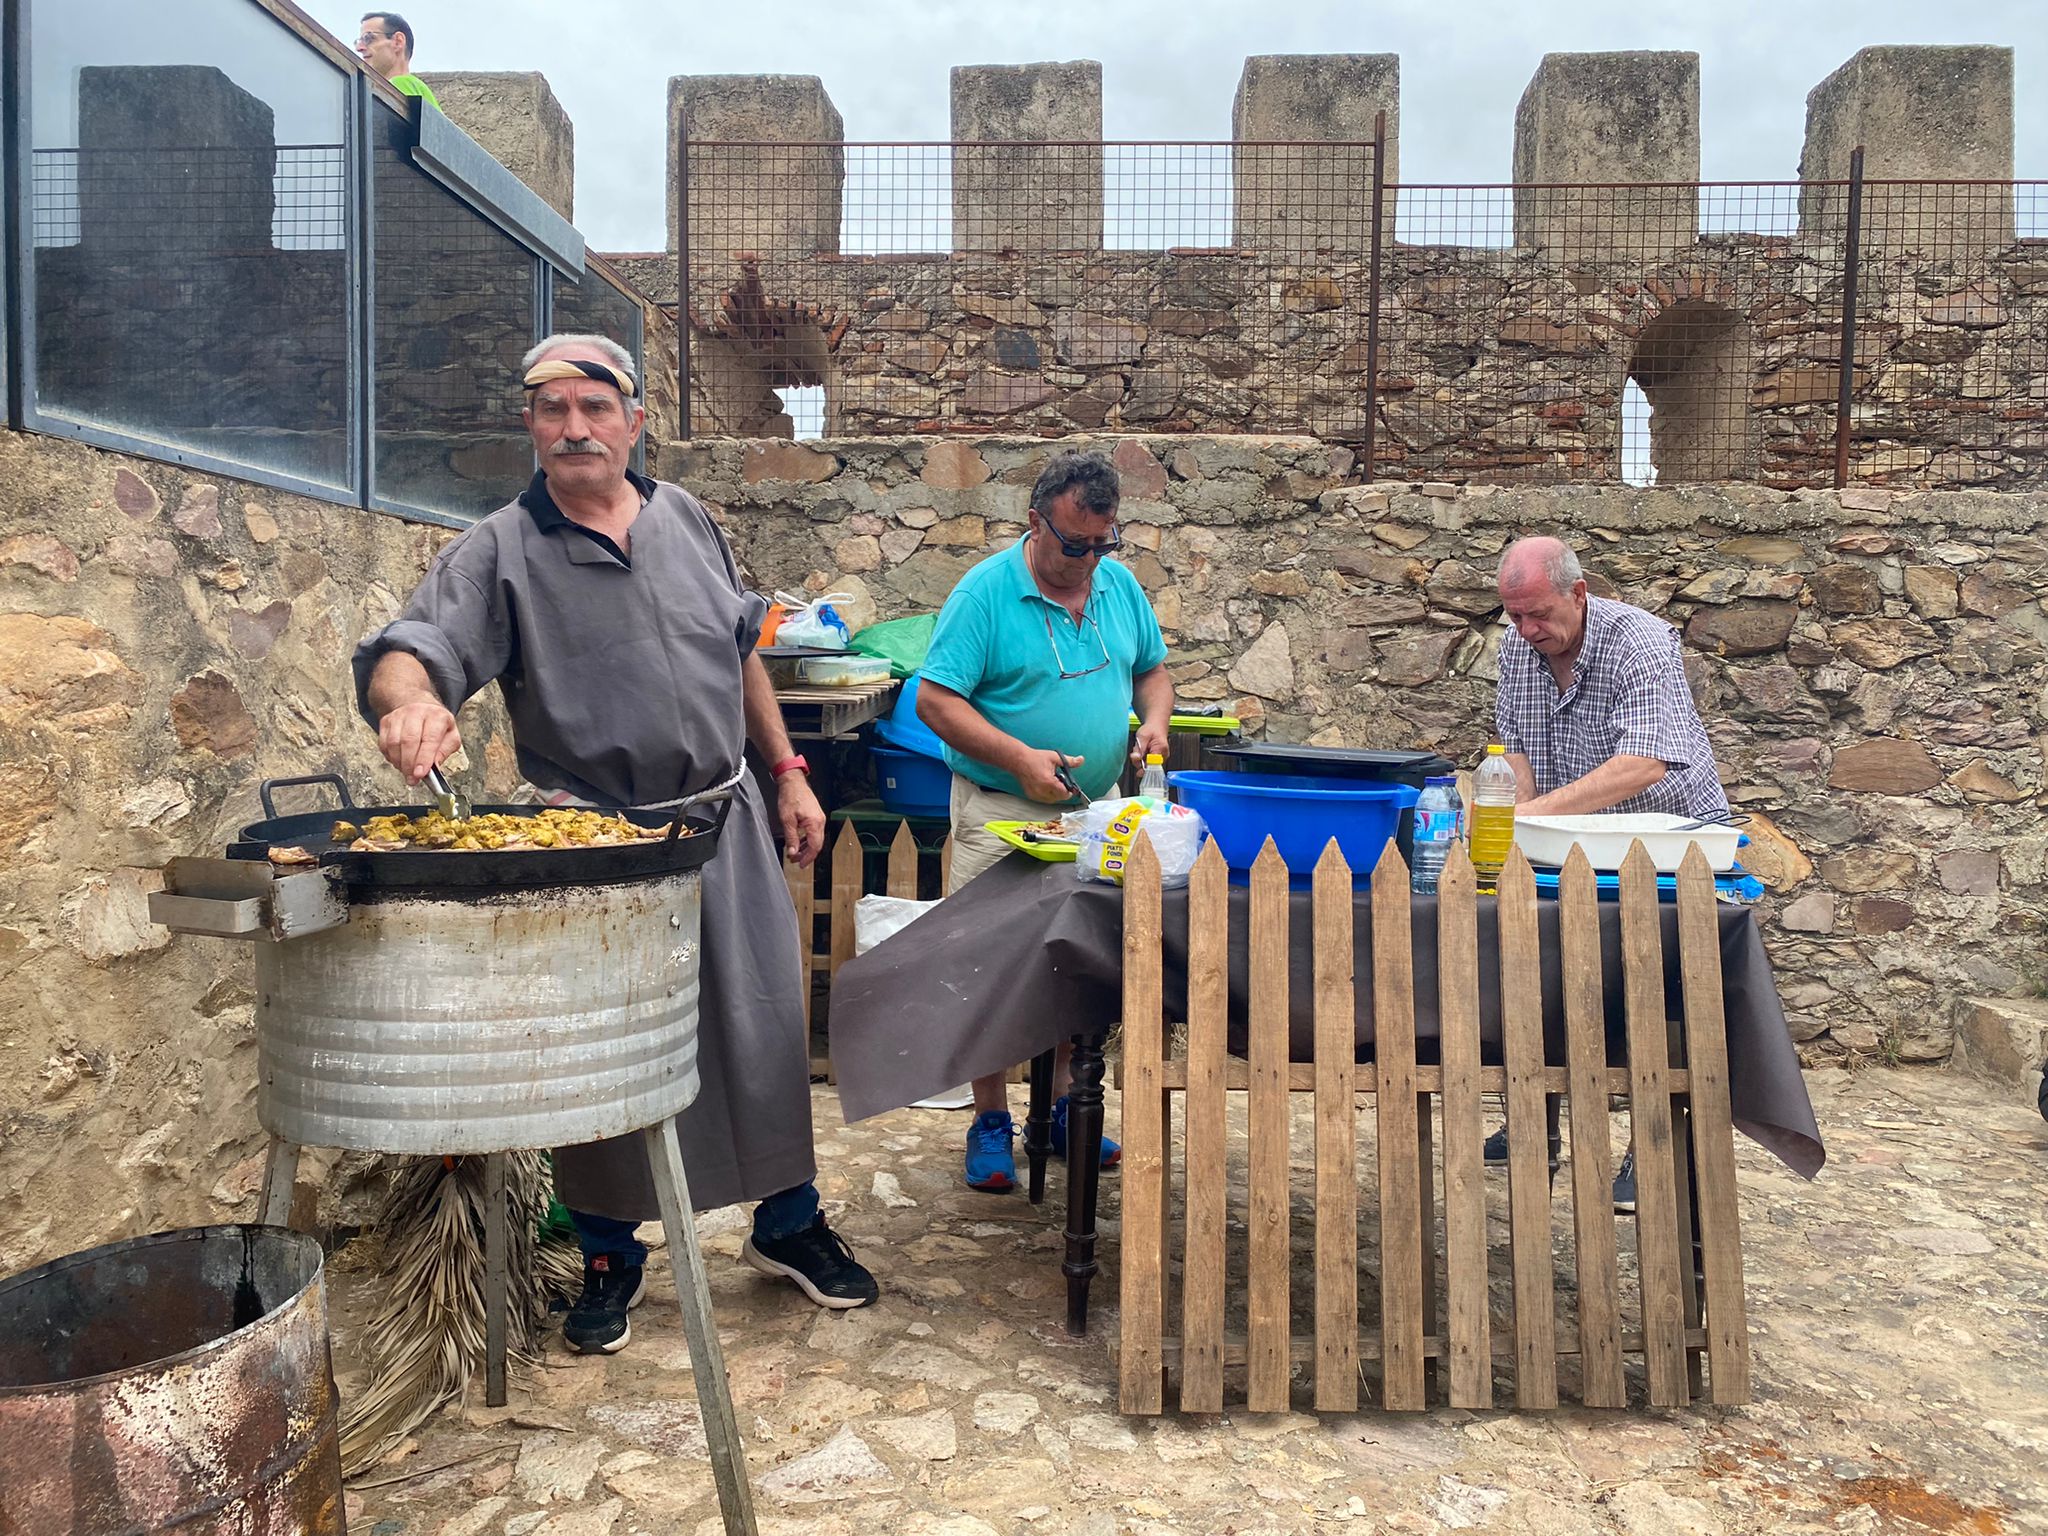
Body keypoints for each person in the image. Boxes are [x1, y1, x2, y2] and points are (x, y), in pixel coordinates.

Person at [353, 332, 877, 1355]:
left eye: (594, 406)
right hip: (598, 849)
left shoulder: (687, 519)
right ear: (529, 426)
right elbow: (410, 652)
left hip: (723, 824)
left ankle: (787, 1223)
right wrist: (408, 707)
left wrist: (787, 773)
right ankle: (607, 1253)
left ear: (635, 421)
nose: (573, 427)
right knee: (607, 1052)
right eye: (551, 409)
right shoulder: (497, 551)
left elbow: (740, 657)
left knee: (764, 1025)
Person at [917, 451, 1174, 1192]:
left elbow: (1152, 670)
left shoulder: (1117, 586)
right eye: (1074, 545)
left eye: (1104, 543)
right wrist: (1020, 756)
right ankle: (991, 1118)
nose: (1091, 559)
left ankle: (1061, 1111)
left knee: (1075, 961)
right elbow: (936, 702)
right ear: (1035, 523)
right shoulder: (985, 594)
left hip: (1091, 815)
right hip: (1000, 807)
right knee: (986, 966)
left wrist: (1153, 721)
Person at [1487, 534, 1732, 1211]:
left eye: (1539, 613)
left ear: (1579, 593)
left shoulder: (1643, 643)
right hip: (1566, 845)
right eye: (1516, 617)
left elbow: (1644, 763)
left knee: (1651, 999)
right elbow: (1516, 750)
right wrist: (1521, 812)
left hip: (1665, 847)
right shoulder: (1517, 650)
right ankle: (1536, 1120)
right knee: (1544, 978)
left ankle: (1648, 1150)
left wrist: (1535, 816)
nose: (1530, 630)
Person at [356, 12, 441, 110]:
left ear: (398, 42)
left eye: (368, 38)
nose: (359, 48)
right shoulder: (417, 87)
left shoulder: (399, 83)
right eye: (359, 41)